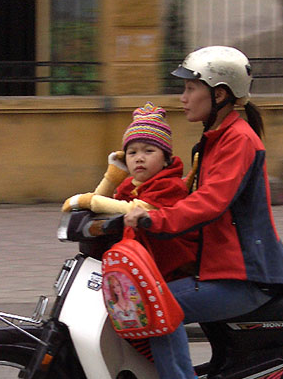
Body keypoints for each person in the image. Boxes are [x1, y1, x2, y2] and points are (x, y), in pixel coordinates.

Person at [123, 46, 283, 379]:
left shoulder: (238, 139)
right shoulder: (215, 138)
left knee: (158, 304)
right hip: (218, 268)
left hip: (246, 275)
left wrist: (154, 219)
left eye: (189, 87)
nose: (182, 97)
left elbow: (210, 202)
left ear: (218, 94)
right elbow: (183, 194)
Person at [63, 102, 197, 281]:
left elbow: (133, 209)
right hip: (136, 261)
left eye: (149, 151)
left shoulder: (170, 186)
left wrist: (89, 201)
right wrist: (112, 178)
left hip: (169, 268)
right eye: (132, 153)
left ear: (166, 159)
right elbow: (107, 208)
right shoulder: (130, 185)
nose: (139, 158)